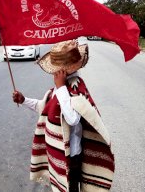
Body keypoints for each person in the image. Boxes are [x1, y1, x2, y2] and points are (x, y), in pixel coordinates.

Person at [13, 40, 115, 192]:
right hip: (59, 153)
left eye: (55, 69)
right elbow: (44, 107)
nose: (53, 73)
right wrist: (24, 100)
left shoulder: (74, 87)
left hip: (71, 157)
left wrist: (61, 88)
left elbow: (73, 118)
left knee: (70, 187)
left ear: (63, 70)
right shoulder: (59, 89)